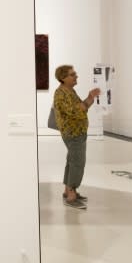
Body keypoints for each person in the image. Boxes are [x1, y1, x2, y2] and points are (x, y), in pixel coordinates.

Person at [53, 65, 100, 209]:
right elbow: (74, 111)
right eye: (72, 75)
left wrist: (90, 98)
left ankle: (68, 190)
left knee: (72, 160)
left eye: (75, 74)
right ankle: (72, 195)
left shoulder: (69, 90)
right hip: (72, 133)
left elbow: (82, 106)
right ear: (63, 78)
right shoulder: (61, 93)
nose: (76, 77)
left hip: (77, 131)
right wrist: (87, 101)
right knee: (78, 162)